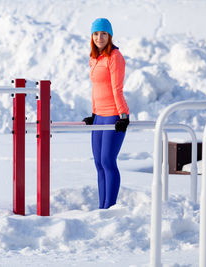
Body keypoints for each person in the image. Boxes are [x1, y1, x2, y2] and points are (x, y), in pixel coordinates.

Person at [83, 18, 130, 209]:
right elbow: (95, 88)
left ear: (109, 36)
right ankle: (101, 207)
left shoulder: (114, 57)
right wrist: (93, 114)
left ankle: (109, 208)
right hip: (100, 116)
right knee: (98, 163)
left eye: (103, 34)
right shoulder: (94, 58)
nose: (99, 37)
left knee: (107, 161)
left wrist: (123, 116)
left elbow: (117, 89)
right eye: (95, 34)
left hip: (113, 115)